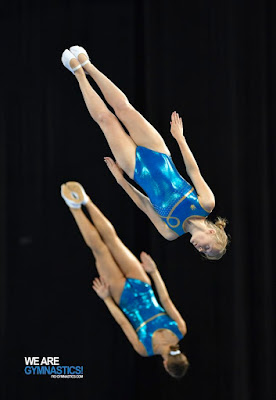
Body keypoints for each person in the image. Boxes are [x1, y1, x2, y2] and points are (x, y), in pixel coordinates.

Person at [61, 45, 229, 260]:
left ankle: (78, 73)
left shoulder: (170, 231)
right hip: (158, 153)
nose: (200, 249)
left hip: (134, 168)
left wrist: (121, 180)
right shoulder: (206, 203)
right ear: (212, 232)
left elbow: (144, 204)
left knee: (106, 120)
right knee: (124, 108)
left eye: (203, 253)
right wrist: (180, 138)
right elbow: (192, 169)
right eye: (207, 248)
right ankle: (88, 66)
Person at [61, 181, 189, 378]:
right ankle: (75, 206)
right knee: (100, 249)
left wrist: (154, 273)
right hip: (123, 297)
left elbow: (165, 300)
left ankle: (86, 201)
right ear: (165, 364)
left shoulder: (180, 330)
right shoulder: (144, 349)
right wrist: (106, 298)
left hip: (143, 286)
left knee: (111, 242)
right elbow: (122, 322)